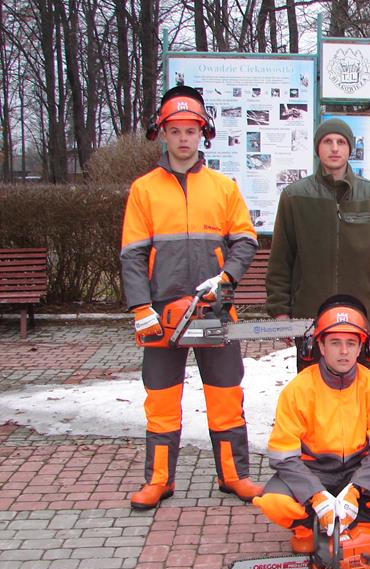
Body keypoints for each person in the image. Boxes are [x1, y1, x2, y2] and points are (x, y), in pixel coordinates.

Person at [121, 85, 262, 509]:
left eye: (191, 130)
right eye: (176, 130)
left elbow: (245, 241)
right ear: (162, 134)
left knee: (225, 394)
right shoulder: (144, 189)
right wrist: (140, 307)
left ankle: (234, 475)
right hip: (162, 312)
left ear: (203, 133)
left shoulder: (223, 187)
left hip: (212, 309)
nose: (183, 138)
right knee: (161, 398)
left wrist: (226, 278)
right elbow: (132, 253)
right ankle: (159, 480)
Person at [252, 295, 370, 553]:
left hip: (359, 468)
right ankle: (307, 528)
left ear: (362, 347)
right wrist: (315, 494)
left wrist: (356, 489)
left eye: (351, 343)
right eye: (335, 343)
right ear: (320, 345)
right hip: (312, 469)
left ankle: (359, 523)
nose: (344, 351)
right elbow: (283, 454)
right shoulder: (299, 388)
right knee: (273, 501)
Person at [266, 118, 370, 372]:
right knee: (313, 388)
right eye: (327, 141)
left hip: (362, 316)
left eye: (341, 142)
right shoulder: (294, 197)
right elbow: (281, 260)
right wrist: (280, 310)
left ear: (350, 148)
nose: (335, 148)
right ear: (317, 148)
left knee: (362, 388)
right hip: (310, 317)